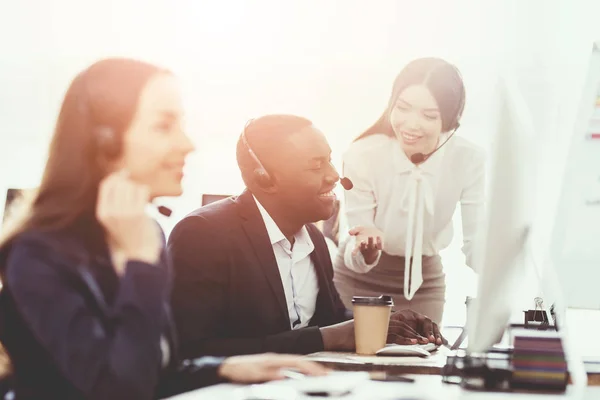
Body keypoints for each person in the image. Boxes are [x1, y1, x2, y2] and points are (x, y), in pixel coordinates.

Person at [0, 59, 326, 400]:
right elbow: (118, 390)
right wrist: (139, 265)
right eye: (163, 126)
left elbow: (149, 369)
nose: (187, 144)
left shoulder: (146, 232)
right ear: (105, 142)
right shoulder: (37, 254)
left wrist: (223, 368)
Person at [167, 114, 444, 360]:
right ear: (264, 177)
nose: (334, 175)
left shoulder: (312, 237)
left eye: (330, 160)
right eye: (316, 166)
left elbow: (331, 320)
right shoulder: (202, 235)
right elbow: (192, 351)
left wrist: (389, 324)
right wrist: (327, 338)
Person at [333, 57, 486, 324]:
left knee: (423, 358)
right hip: (358, 282)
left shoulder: (468, 159)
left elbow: (476, 248)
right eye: (402, 108)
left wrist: (503, 265)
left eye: (429, 115)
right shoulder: (362, 154)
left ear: (450, 119)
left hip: (423, 284)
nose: (411, 124)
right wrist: (366, 249)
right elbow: (356, 247)